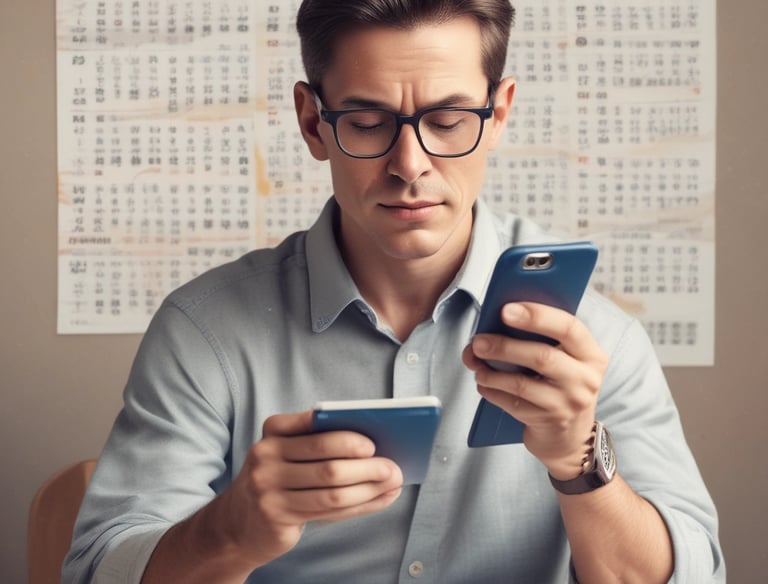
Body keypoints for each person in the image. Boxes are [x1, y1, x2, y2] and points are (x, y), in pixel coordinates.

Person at [64, 1, 725, 582]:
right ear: (312, 122)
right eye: (368, 121)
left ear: (498, 114)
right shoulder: (204, 330)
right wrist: (229, 532)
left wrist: (580, 463)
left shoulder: (593, 336)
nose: (410, 166)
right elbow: (99, 571)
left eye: (446, 120)